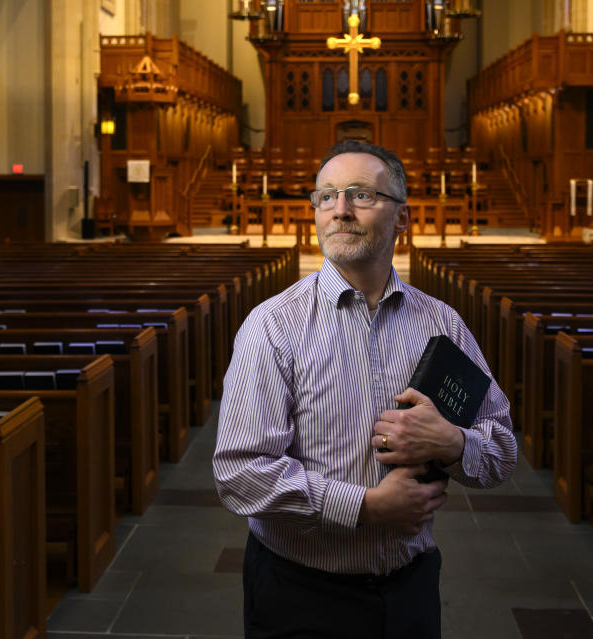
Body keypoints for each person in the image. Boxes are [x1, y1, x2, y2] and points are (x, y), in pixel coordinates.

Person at [213, 140, 518, 639]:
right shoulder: (272, 326)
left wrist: (454, 444)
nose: (340, 210)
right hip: (299, 594)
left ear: (402, 218)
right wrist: (367, 508)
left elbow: (503, 452)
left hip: (410, 587)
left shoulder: (443, 324)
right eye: (326, 196)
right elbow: (240, 474)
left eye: (361, 195)